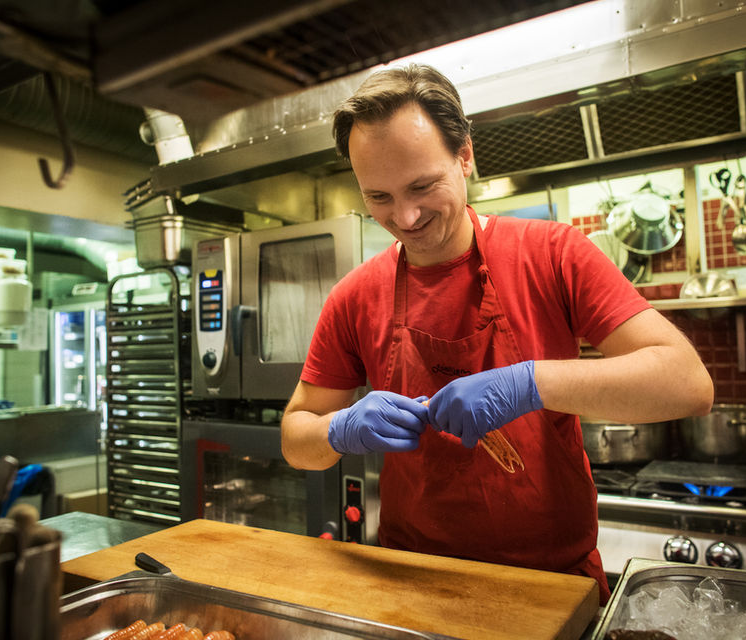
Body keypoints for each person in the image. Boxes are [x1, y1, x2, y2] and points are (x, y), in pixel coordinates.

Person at [280, 63, 713, 603]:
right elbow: (296, 438)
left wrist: (529, 384)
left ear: (465, 156)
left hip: (551, 588)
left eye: (422, 186)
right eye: (379, 198)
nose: (406, 216)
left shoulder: (553, 254)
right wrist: (339, 430)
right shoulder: (354, 296)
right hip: (411, 587)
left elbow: (687, 384)